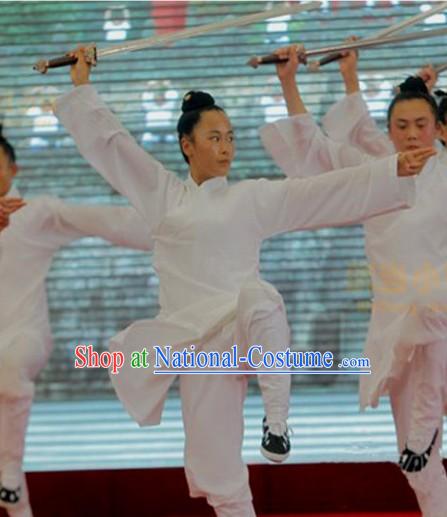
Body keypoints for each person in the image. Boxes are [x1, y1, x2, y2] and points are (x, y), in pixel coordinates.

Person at [54, 46, 431, 517]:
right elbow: (113, 146)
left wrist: (393, 169)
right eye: (214, 137)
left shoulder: (250, 197)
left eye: (230, 137)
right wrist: (82, 84)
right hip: (195, 348)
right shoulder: (163, 196)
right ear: (187, 145)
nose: (227, 146)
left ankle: (277, 422)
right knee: (221, 479)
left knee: (260, 298)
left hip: (243, 330)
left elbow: (319, 192)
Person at [260, 45, 447, 517]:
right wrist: (291, 82)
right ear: (387, 132)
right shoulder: (376, 173)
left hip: (440, 319)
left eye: (420, 124)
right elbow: (319, 152)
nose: (410, 135)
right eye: (400, 127)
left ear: (438, 126)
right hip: (394, 327)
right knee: (414, 461)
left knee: (424, 425)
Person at [0, 124, 153, 517]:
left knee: (10, 375)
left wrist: (173, 231)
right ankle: (16, 497)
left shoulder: (38, 214)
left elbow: (104, 221)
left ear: (14, 170)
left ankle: (10, 472)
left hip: (23, 334)